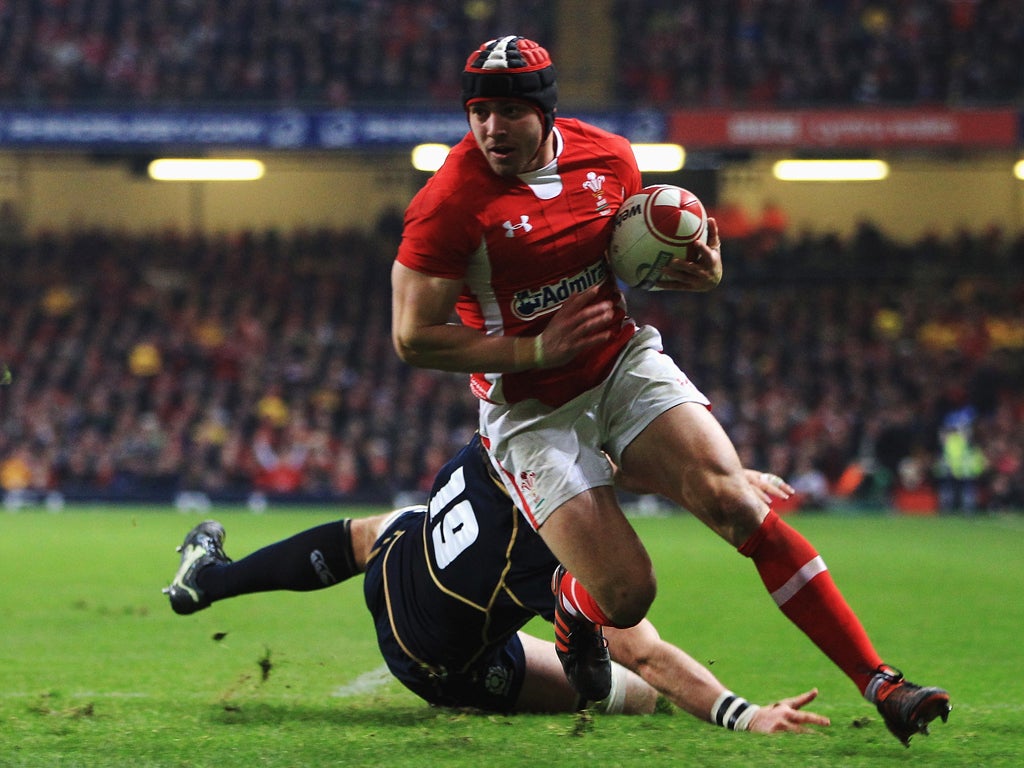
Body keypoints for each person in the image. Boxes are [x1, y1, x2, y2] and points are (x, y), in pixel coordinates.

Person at [389, 35, 949, 746]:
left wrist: (699, 269)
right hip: (529, 410)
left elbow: (644, 256)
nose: (491, 129)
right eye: (478, 112)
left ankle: (881, 682)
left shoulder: (612, 159)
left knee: (736, 504)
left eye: (508, 112)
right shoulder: (448, 203)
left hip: (620, 363)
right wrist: (534, 346)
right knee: (628, 596)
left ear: (546, 113)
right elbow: (414, 337)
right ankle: (574, 604)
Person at [165, 434, 830, 732]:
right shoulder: (545, 554)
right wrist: (743, 716)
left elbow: (606, 463)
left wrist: (723, 481)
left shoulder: (502, 441)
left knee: (383, 527)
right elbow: (648, 652)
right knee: (637, 697)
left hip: (399, 567)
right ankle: (579, 669)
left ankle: (211, 580)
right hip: (431, 660)